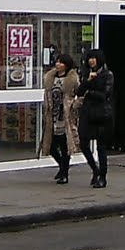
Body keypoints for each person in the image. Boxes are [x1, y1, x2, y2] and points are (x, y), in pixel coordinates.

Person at [36, 54, 80, 182]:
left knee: (64, 144)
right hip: (52, 115)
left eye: (61, 62)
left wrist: (74, 105)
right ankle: (62, 166)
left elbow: (81, 93)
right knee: (50, 144)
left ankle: (64, 174)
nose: (58, 64)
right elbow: (47, 95)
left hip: (65, 116)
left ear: (66, 65)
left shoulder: (72, 79)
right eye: (57, 62)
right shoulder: (51, 77)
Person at [75, 49, 115, 187]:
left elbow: (105, 94)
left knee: (101, 147)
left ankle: (103, 177)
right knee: (83, 143)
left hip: (101, 114)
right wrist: (87, 81)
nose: (91, 61)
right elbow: (78, 92)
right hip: (87, 113)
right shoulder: (87, 74)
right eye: (89, 58)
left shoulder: (107, 74)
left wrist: (90, 92)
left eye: (94, 58)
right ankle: (95, 169)